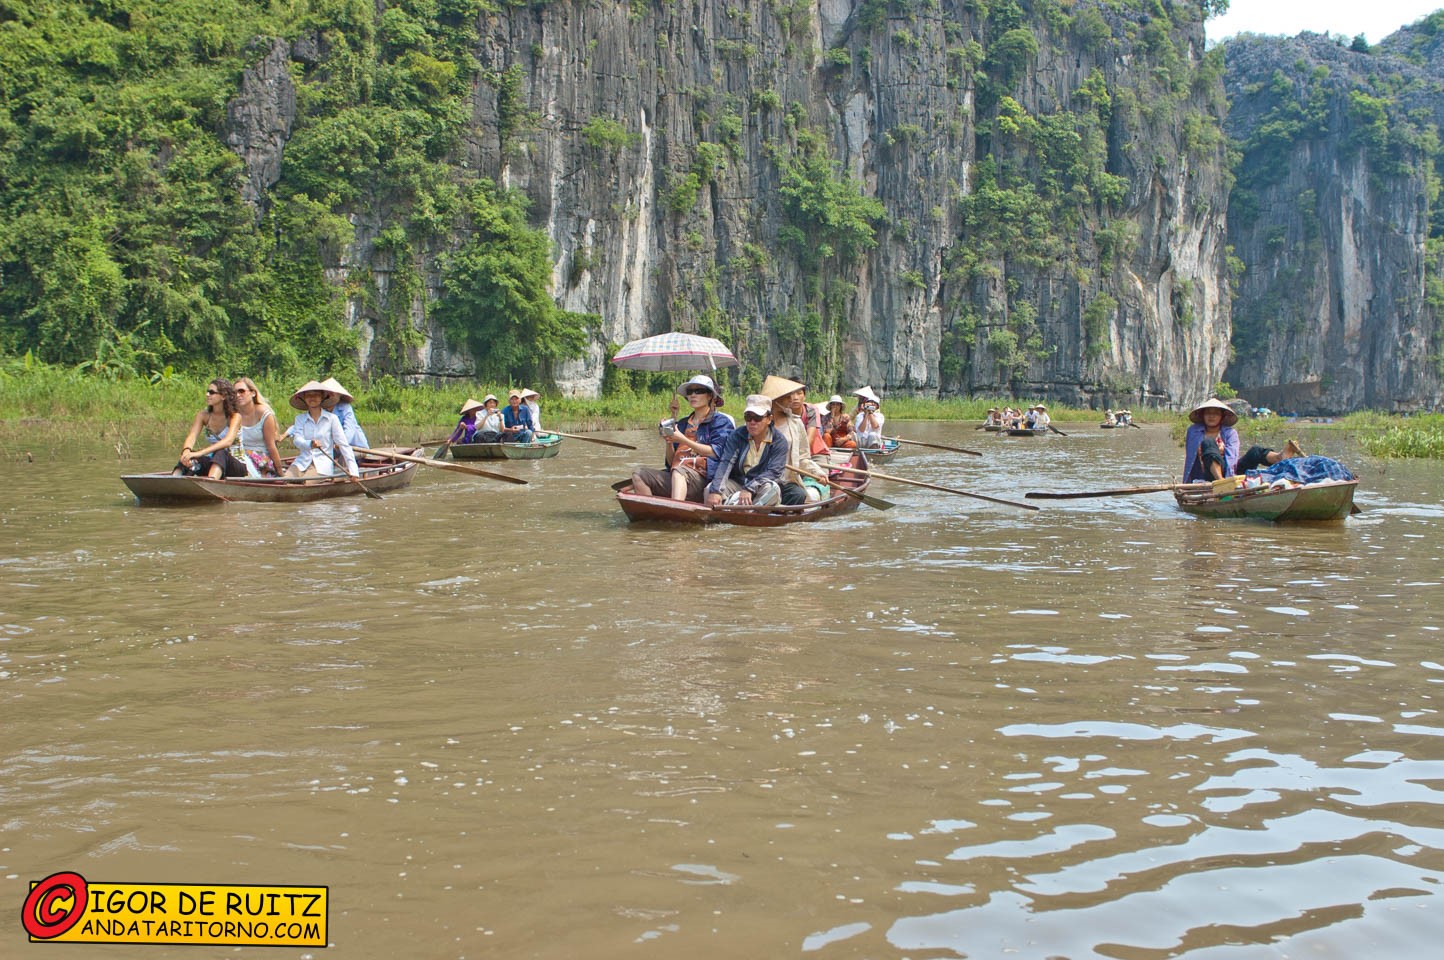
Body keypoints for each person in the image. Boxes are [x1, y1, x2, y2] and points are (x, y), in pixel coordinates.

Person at [630, 374, 734, 502]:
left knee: (679, 471)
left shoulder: (721, 422)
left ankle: (676, 508)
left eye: (699, 391)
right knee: (639, 474)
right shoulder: (683, 423)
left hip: (703, 477)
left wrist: (683, 440)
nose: (693, 395)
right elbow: (670, 462)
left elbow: (715, 452)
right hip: (677, 475)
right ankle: (649, 513)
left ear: (710, 396)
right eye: (690, 392)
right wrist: (669, 441)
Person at [705, 394, 788, 507]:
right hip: (738, 483)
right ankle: (732, 510)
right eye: (748, 417)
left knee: (772, 489)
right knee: (710, 489)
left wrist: (750, 488)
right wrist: (715, 491)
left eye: (757, 418)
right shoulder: (737, 435)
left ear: (769, 419)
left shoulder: (779, 441)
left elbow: (774, 472)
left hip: (761, 485)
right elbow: (726, 463)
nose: (752, 422)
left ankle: (746, 511)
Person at [763, 375, 827, 504]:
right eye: (787, 397)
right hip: (761, 479)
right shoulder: (758, 422)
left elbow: (803, 457)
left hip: (785, 480)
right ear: (776, 400)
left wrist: (817, 472)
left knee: (798, 494)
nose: (791, 400)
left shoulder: (796, 424)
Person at [173, 378, 246, 479]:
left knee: (221, 453)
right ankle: (173, 480)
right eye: (207, 392)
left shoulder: (235, 416)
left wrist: (201, 452)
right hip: (214, 461)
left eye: (211, 392)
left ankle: (212, 482)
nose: (207, 395)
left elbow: (227, 441)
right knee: (190, 458)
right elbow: (192, 436)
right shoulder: (203, 415)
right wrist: (186, 452)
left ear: (223, 396)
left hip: (236, 465)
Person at [286, 380, 360, 478]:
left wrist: (354, 471)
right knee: (285, 480)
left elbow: (343, 445)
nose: (312, 398)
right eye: (308, 395)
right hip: (301, 462)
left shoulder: (332, 419)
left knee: (305, 484)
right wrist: (310, 444)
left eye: (316, 395)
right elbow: (297, 440)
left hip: (322, 465)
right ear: (304, 398)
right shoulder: (300, 419)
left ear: (322, 397)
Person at [232, 376, 284, 477]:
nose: (238, 395)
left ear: (253, 393)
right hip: (240, 456)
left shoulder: (264, 414)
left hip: (260, 459)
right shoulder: (233, 414)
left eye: (241, 391)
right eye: (234, 393)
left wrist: (280, 471)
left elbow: (271, 446)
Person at [320, 377, 369, 448]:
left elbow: (350, 430)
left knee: (344, 457)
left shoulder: (345, 408)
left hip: (356, 447)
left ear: (338, 395)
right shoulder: (322, 411)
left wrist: (341, 444)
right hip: (335, 450)